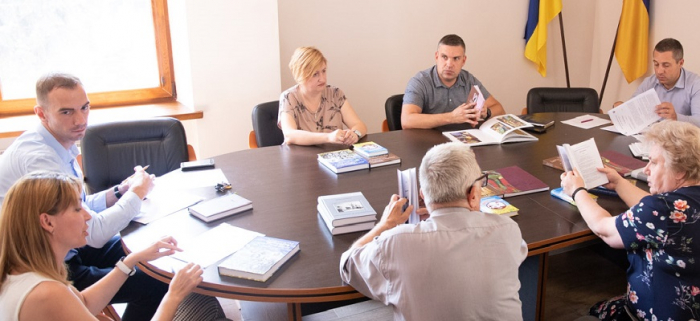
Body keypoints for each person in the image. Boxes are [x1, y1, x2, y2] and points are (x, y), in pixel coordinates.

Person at [0, 73, 167, 320]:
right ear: (41, 113)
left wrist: (119, 192)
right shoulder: (40, 159)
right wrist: (137, 193)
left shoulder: (59, 141)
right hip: (51, 258)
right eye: (66, 112)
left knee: (150, 255)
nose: (81, 120)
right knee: (158, 282)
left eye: (85, 108)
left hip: (61, 246)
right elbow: (93, 232)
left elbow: (77, 207)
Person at [340, 142, 527, 320]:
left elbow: (348, 264)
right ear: (473, 194)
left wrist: (385, 225)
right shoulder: (508, 229)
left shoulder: (395, 242)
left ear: (423, 195)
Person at [0, 171, 203, 321]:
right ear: (48, 222)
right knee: (202, 306)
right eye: (77, 209)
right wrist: (174, 296)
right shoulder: (47, 292)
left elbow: (84, 304)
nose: (88, 216)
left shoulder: (22, 273)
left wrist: (132, 260)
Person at [560, 120, 700, 320]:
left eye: (654, 162)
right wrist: (619, 183)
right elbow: (657, 215)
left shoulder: (661, 209)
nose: (646, 170)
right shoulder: (676, 206)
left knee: (595, 311)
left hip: (656, 314)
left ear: (680, 172)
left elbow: (604, 230)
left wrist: (577, 191)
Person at [401, 34, 506, 131]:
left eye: (456, 58)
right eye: (444, 57)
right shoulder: (420, 81)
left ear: (463, 61)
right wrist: (452, 117)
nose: (449, 64)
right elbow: (407, 121)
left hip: (465, 143)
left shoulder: (469, 80)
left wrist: (486, 113)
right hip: (431, 146)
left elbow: (499, 109)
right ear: (437, 57)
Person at [278, 46, 367, 146]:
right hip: (300, 159)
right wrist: (328, 137)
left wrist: (355, 134)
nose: (322, 79)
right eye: (315, 74)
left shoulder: (335, 94)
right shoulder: (289, 97)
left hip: (334, 157)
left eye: (324, 71)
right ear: (300, 75)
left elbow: (359, 125)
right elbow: (290, 135)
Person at [613, 38, 700, 127]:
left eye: (666, 65)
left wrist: (676, 117)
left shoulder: (695, 84)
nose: (659, 71)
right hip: (649, 137)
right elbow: (633, 110)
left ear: (680, 63)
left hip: (681, 139)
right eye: (656, 64)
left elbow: (699, 121)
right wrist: (621, 109)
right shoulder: (649, 82)